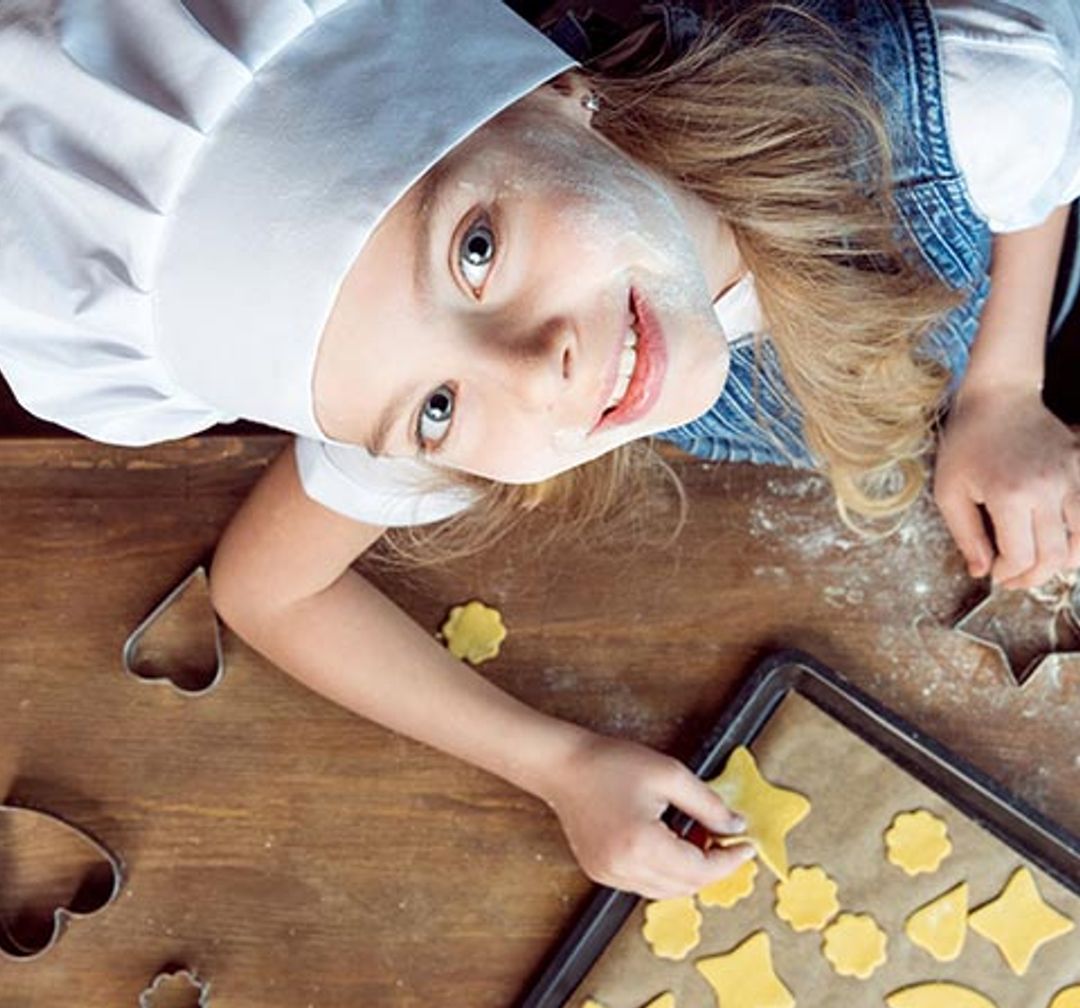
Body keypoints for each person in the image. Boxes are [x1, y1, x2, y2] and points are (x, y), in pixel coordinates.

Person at [1, 0, 1077, 899]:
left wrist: (1008, 386)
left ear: (556, 93)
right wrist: (560, 765)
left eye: (476, 249)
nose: (533, 374)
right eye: (433, 411)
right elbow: (267, 591)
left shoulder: (957, 97)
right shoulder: (438, 381)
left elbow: (1038, 170)